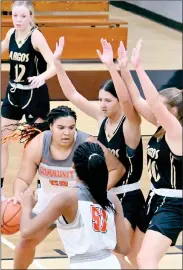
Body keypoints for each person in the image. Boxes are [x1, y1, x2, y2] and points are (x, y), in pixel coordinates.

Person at [53, 37, 145, 268]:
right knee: (115, 254)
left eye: (108, 100)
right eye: (100, 99)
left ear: (118, 101)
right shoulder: (102, 120)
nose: (102, 104)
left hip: (128, 196)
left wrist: (112, 67)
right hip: (104, 195)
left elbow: (127, 99)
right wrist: (57, 64)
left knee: (120, 254)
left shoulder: (130, 123)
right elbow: (73, 95)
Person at [4, 105, 125, 269]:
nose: (67, 132)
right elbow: (23, 178)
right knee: (26, 241)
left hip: (79, 203)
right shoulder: (39, 143)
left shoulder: (86, 144)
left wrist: (95, 192)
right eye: (61, 127)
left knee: (102, 250)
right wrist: (18, 195)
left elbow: (117, 168)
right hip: (48, 201)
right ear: (51, 126)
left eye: (71, 127)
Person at [119, 39, 182, 269]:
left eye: (163, 109)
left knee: (147, 259)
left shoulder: (177, 132)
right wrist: (124, 68)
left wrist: (139, 68)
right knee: (135, 256)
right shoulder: (160, 125)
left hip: (175, 204)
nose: (156, 112)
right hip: (154, 197)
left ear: (175, 112)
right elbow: (137, 100)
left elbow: (153, 102)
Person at [20, 141, 130, 269]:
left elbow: (26, 232)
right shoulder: (112, 198)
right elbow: (124, 248)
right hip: (111, 263)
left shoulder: (66, 198)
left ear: (73, 166)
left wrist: (27, 206)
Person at [1, 0, 56, 199]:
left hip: (34, 94)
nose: (18, 20)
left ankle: (43, 188)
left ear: (31, 17)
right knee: (1, 140)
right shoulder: (10, 34)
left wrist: (42, 77)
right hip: (13, 92)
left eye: (23, 16)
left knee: (38, 145)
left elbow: (54, 65)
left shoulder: (36, 37)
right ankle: (0, 189)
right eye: (15, 16)